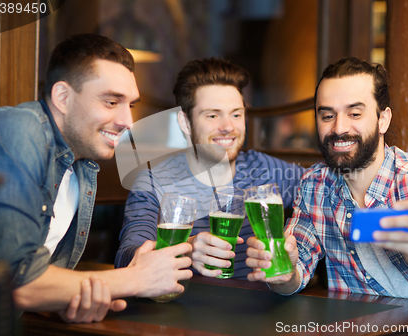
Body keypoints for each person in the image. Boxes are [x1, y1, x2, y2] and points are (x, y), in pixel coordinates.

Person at [246, 57, 408, 335]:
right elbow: (295, 269)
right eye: (327, 115)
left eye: (355, 114)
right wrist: (283, 274)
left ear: (383, 119)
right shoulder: (315, 184)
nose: (338, 128)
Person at [0, 34, 192, 323]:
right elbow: (14, 281)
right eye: (111, 101)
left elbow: (38, 285)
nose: (127, 121)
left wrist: (72, 297)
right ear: (63, 97)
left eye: (130, 105)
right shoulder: (18, 128)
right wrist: (135, 279)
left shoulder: (82, 167)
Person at [115, 58, 305, 279]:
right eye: (213, 115)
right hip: (183, 309)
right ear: (185, 123)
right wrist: (187, 248)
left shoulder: (265, 170)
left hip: (258, 308)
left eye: (236, 114)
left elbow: (325, 191)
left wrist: (294, 240)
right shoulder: (153, 181)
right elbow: (127, 260)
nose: (228, 127)